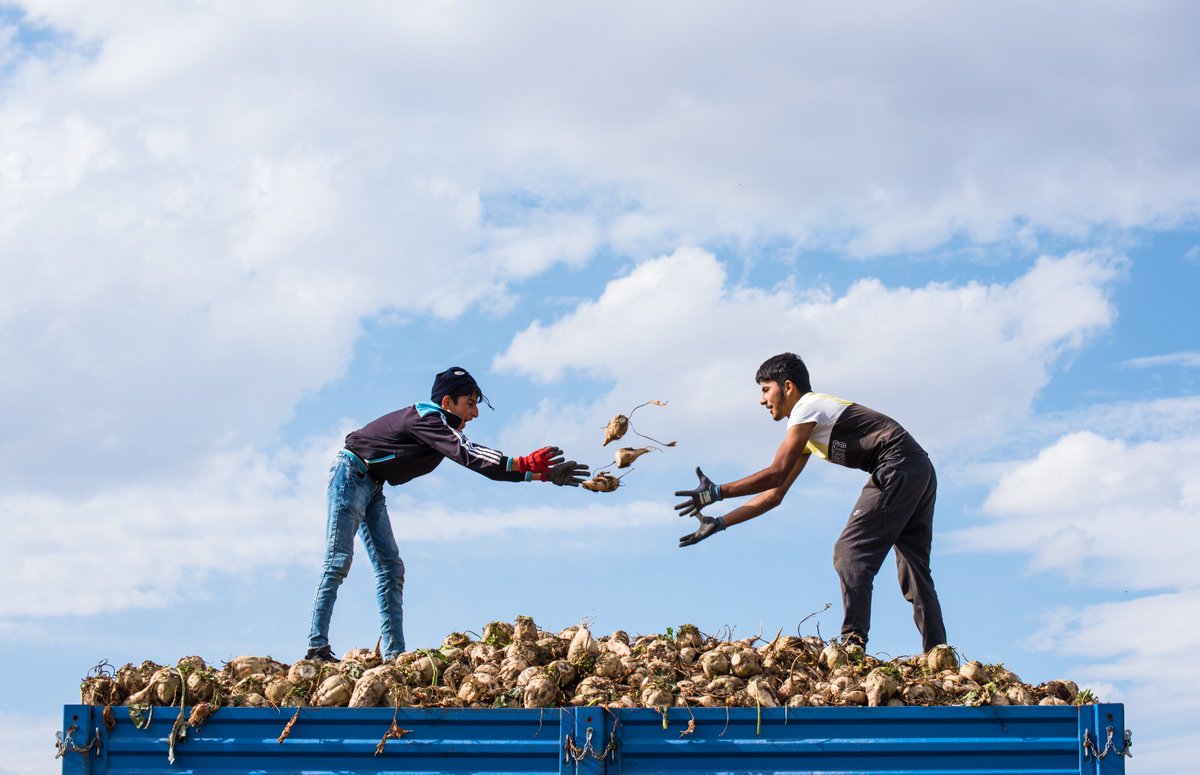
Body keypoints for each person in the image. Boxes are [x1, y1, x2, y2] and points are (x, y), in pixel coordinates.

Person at [305, 366, 588, 662]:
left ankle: (394, 657)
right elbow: (470, 454)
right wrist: (524, 461)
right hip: (351, 476)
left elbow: (482, 467)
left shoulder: (438, 431)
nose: (475, 413)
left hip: (372, 485)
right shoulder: (427, 419)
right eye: (470, 403)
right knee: (338, 560)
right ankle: (316, 648)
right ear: (447, 402)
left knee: (391, 569)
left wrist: (540, 475)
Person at [674, 353, 947, 653]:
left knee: (850, 552)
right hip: (918, 469)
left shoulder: (806, 408)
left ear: (787, 387)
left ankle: (852, 646)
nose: (761, 400)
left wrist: (715, 492)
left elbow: (775, 472)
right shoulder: (807, 430)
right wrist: (721, 521)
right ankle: (939, 654)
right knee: (914, 568)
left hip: (897, 464)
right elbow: (776, 494)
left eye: (765, 389)